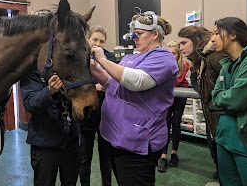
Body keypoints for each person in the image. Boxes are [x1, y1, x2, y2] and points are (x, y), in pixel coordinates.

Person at [90, 11, 178, 186]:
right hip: (115, 136)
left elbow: (136, 81)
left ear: (155, 34)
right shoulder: (131, 57)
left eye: (139, 34)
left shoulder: (164, 58)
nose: (134, 38)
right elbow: (112, 83)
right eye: (133, 34)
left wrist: (102, 59)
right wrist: (93, 67)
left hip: (137, 142)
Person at [211, 17, 247, 186]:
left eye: (216, 33)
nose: (212, 38)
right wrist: (222, 97)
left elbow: (236, 100)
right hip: (225, 139)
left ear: (233, 35)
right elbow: (215, 96)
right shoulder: (226, 64)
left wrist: (222, 97)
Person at [178, 26, 225, 180]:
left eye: (184, 43)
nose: (181, 48)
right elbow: (202, 87)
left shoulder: (213, 57)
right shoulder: (200, 60)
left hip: (222, 117)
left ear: (197, 40)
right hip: (212, 117)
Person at [20, 72, 80, 186]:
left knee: (70, 181)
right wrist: (49, 91)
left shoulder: (72, 69)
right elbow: (30, 103)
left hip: (70, 139)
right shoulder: (33, 71)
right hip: (44, 141)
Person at [79, 26, 116, 186]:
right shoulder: (79, 58)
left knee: (106, 156)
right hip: (86, 113)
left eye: (102, 41)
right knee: (84, 157)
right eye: (95, 40)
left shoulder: (109, 58)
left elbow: (114, 79)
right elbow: (73, 83)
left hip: (106, 113)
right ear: (88, 39)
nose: (98, 44)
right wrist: (94, 87)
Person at [157, 40, 190, 172]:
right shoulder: (163, 65)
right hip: (166, 97)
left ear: (178, 55)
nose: (172, 56)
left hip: (179, 97)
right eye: (169, 53)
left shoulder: (184, 65)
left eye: (174, 53)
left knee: (176, 123)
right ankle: (163, 156)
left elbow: (176, 81)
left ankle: (174, 153)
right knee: (165, 124)